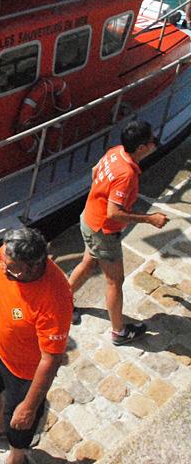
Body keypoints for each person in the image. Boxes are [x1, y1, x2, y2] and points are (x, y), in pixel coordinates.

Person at [0, 228, 72, 464]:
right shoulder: (6, 256)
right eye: (4, 261)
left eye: (11, 267)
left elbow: (51, 358)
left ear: (32, 267)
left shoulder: (54, 299)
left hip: (25, 370)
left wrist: (29, 407)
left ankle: (17, 457)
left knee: (20, 427)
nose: (3, 267)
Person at [67, 120, 167, 344]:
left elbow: (95, 171)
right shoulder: (127, 175)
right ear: (141, 148)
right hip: (103, 230)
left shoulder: (116, 152)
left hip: (89, 219)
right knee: (114, 281)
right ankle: (119, 331)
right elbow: (114, 213)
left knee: (88, 262)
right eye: (152, 141)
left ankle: (63, 302)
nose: (154, 143)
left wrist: (100, 196)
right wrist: (150, 219)